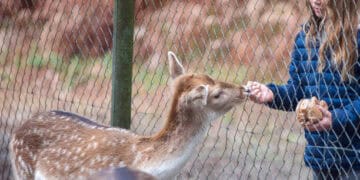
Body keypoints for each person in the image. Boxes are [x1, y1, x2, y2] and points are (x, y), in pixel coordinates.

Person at [246, 0, 360, 179]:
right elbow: (296, 93)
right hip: (320, 157)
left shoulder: (357, 38)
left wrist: (335, 119)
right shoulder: (305, 39)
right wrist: (272, 94)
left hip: (354, 158)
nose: (316, 0)